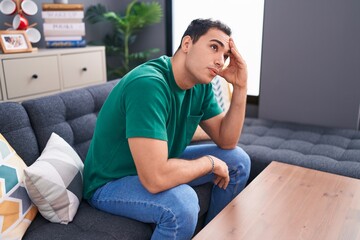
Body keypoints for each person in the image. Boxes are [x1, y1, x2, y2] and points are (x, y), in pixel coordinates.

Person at [83, 18, 251, 239]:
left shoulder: (200, 86)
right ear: (187, 44)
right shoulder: (148, 85)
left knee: (237, 160)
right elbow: (155, 179)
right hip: (110, 181)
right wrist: (209, 163)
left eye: (225, 55)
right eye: (213, 47)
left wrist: (240, 85)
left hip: (159, 161)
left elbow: (227, 140)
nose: (220, 61)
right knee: (182, 204)